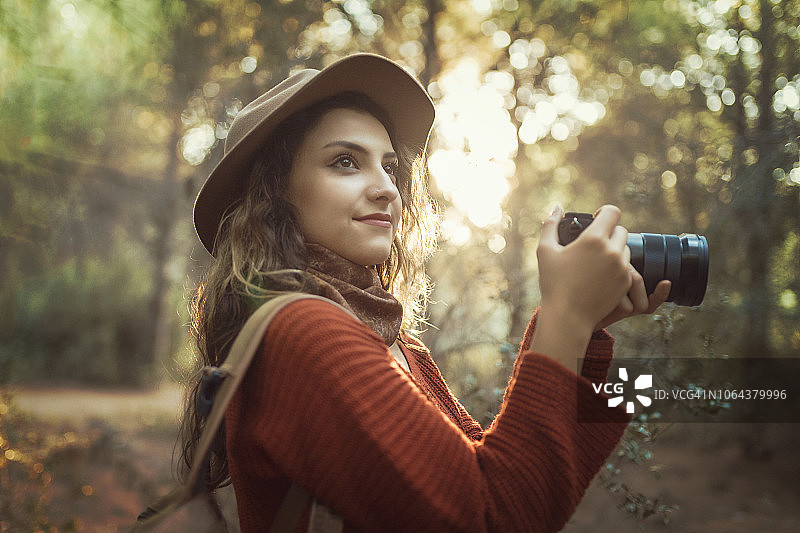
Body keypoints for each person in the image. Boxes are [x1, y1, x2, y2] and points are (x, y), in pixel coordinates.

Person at [181, 53, 671, 532]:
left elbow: (524, 488)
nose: (387, 190)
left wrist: (580, 332)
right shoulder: (303, 334)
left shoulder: (395, 345)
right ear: (274, 193)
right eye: (346, 161)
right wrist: (564, 316)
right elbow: (493, 517)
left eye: (390, 168)